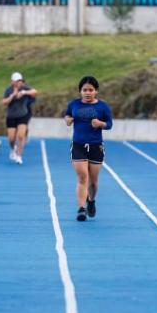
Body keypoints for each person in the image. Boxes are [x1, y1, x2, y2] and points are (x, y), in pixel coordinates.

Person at [64, 76, 113, 221]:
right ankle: (81, 208)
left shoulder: (103, 106)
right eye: (84, 90)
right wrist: (67, 119)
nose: (87, 93)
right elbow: (67, 115)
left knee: (93, 181)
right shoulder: (74, 104)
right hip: (78, 145)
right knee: (82, 177)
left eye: (91, 90)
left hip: (96, 146)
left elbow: (110, 124)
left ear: (96, 91)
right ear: (80, 91)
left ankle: (91, 201)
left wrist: (100, 124)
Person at [2, 72, 37, 164]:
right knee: (11, 139)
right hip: (11, 116)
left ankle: (19, 155)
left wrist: (24, 92)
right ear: (12, 82)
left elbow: (34, 91)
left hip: (23, 115)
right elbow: (4, 102)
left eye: (20, 81)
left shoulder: (24, 88)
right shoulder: (8, 90)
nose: (19, 83)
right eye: (17, 81)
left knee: (21, 136)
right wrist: (12, 96)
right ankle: (13, 149)